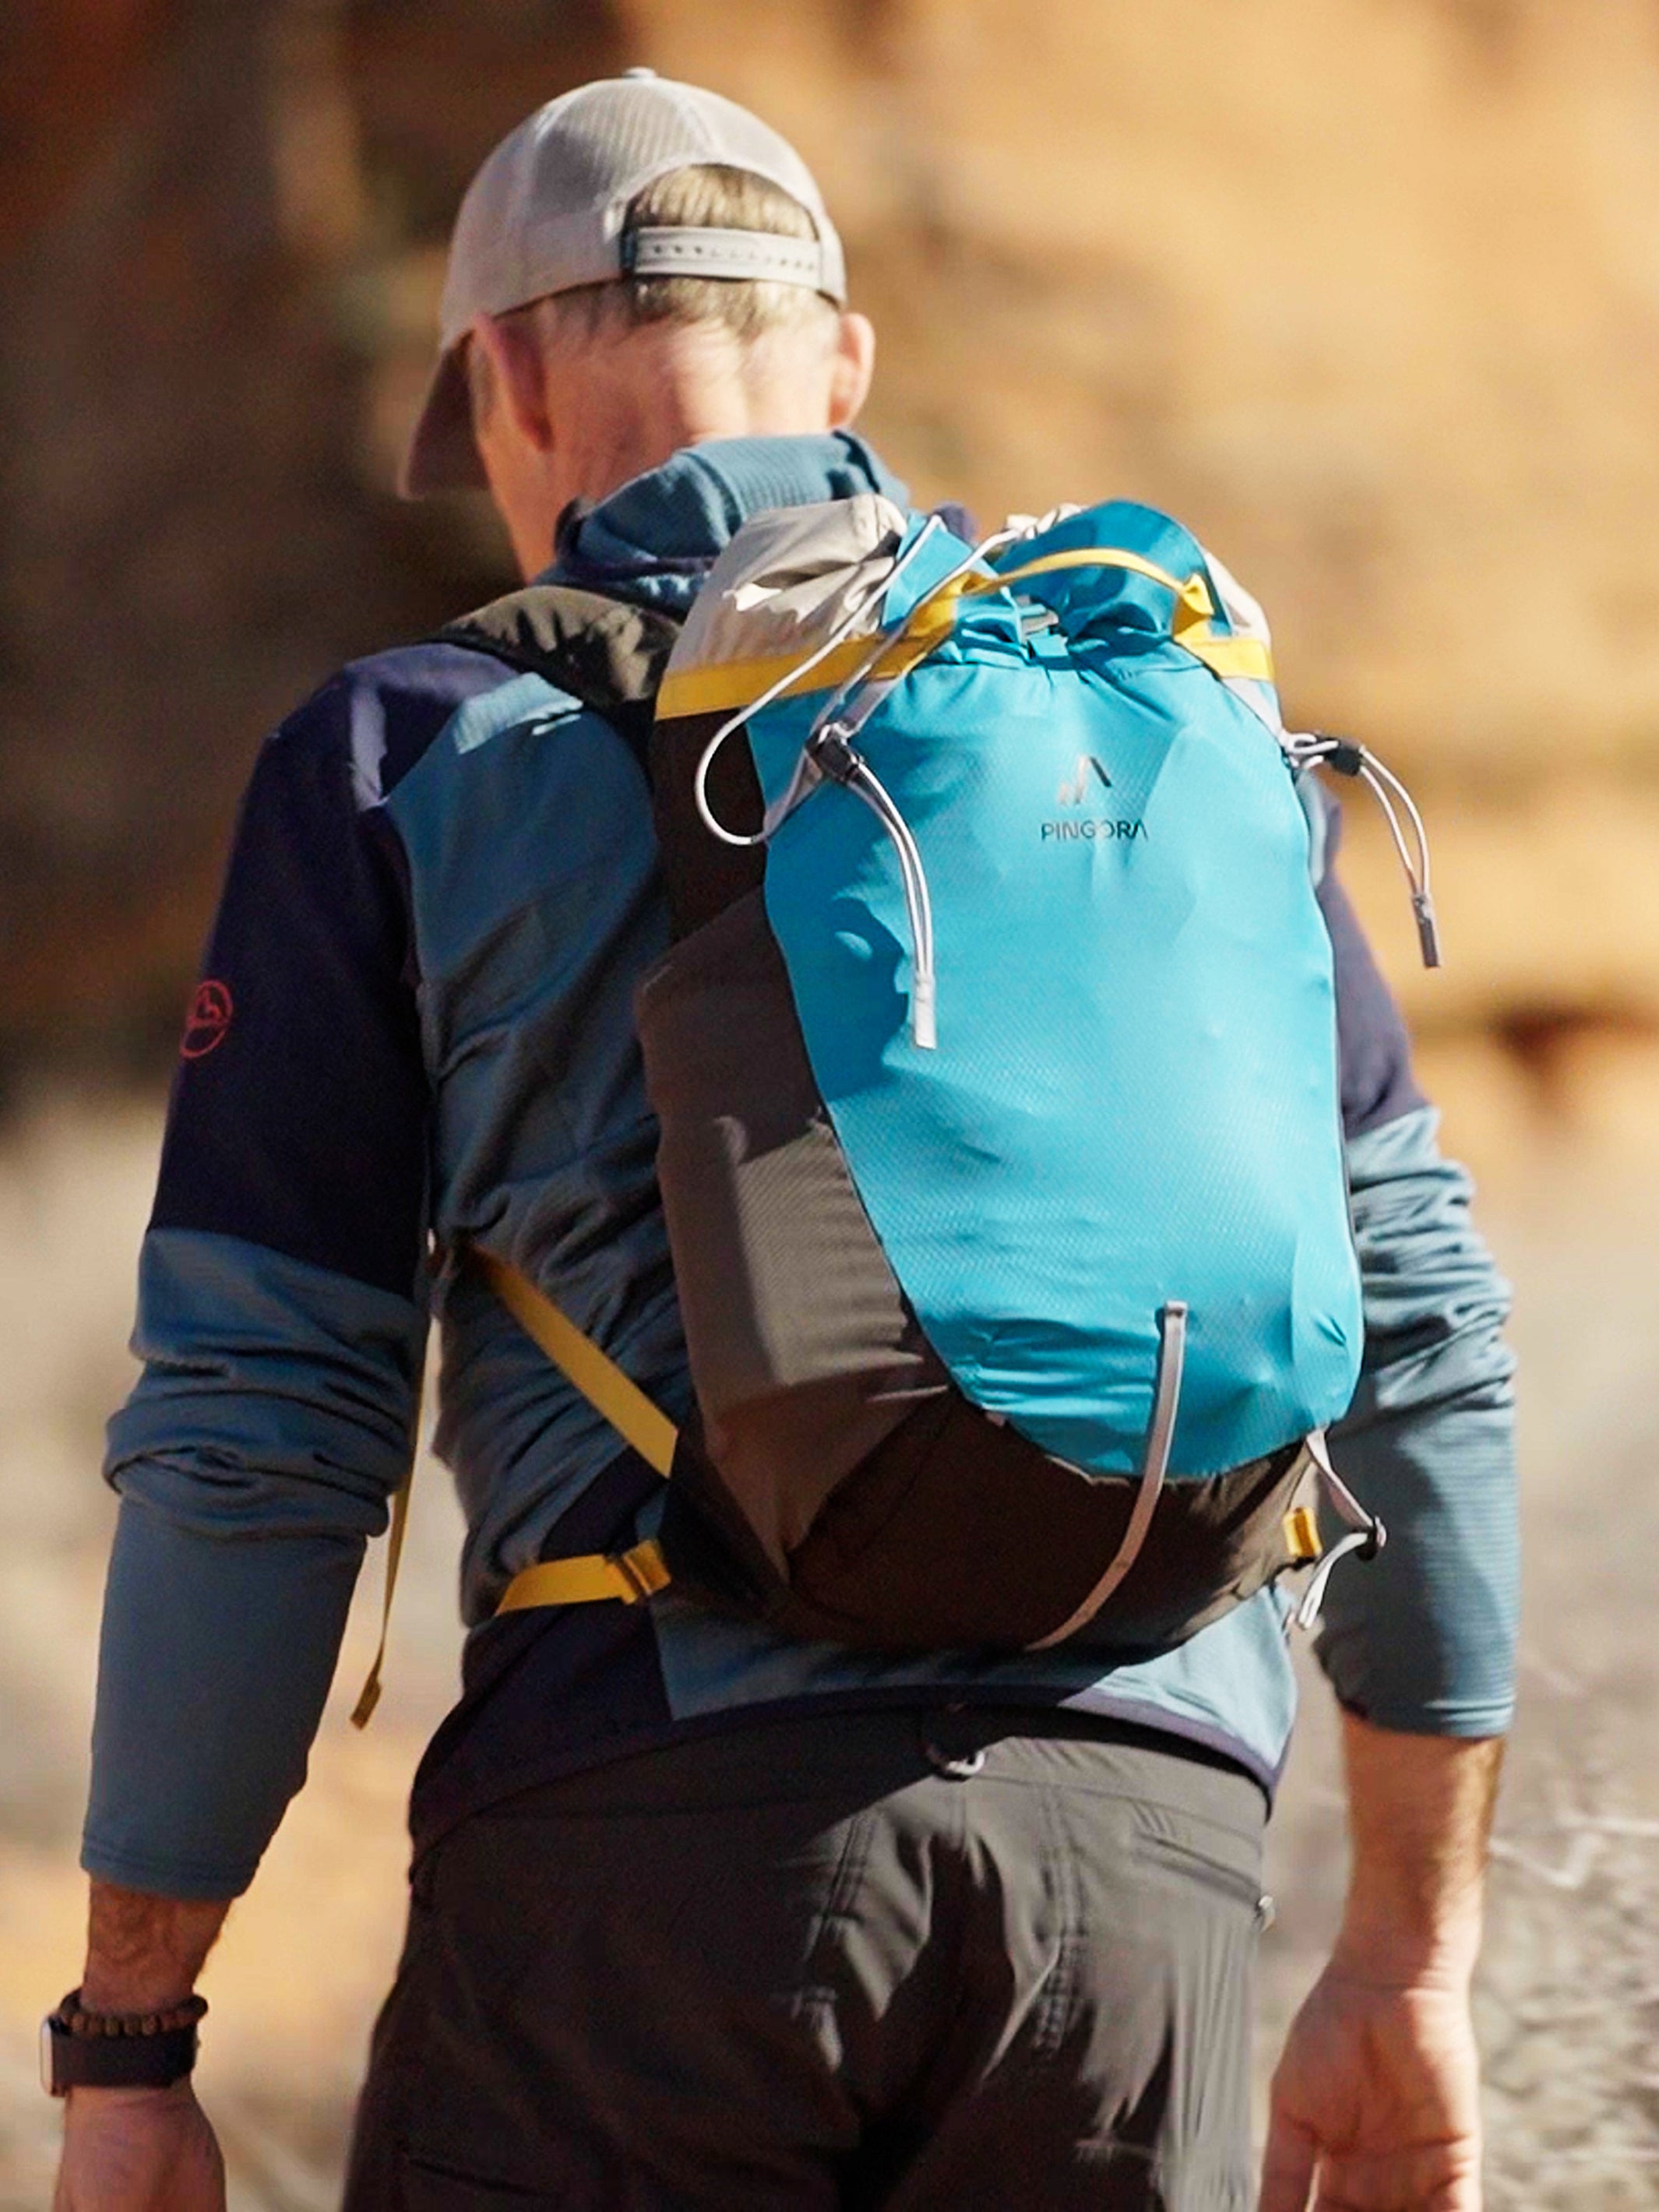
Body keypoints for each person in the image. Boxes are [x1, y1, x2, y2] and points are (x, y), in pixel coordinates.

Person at [51, 71, 1517, 2212]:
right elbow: (1427, 1335)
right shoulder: (1161, 720)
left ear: (506, 384)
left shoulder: (412, 756)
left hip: (648, 1865)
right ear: (838, 358)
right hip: (1144, 1878)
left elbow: (264, 1428)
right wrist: (1402, 1961)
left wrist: (132, 2042)